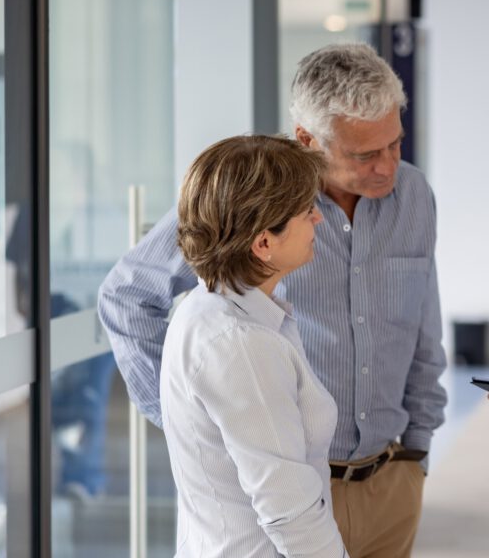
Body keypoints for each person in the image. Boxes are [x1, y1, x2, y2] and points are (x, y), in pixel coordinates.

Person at [97, 43, 446, 558]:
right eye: (364, 154)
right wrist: (191, 426)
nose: (387, 166)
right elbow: (129, 297)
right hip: (286, 498)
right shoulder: (248, 197)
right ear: (308, 139)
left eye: (395, 143)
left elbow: (423, 325)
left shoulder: (414, 194)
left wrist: (416, 449)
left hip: (391, 480)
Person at [162, 134, 344, 557]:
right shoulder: (240, 345)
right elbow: (290, 509)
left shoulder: (208, 309)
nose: (318, 219)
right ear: (263, 244)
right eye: (306, 211)